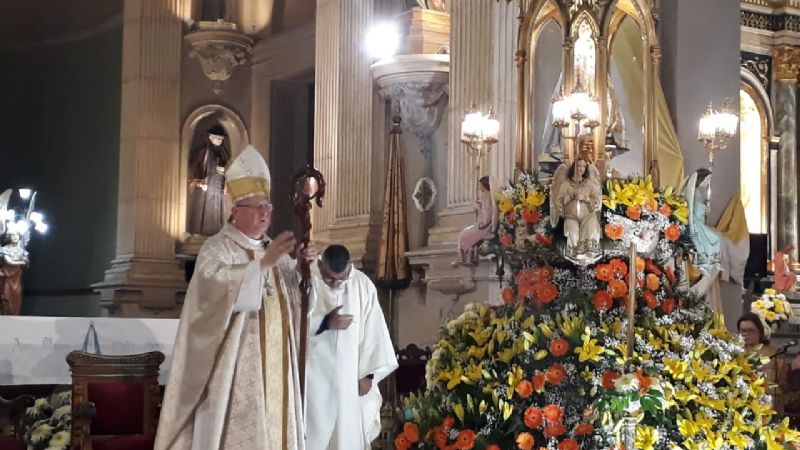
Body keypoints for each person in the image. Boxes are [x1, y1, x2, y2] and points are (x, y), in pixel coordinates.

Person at [155, 146, 308, 450]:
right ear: (235, 210)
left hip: (278, 367)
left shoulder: (276, 252)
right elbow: (211, 295)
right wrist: (261, 265)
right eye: (256, 206)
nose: (265, 213)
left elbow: (300, 305)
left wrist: (305, 272)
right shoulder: (217, 249)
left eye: (268, 206)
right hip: (236, 370)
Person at [305, 244, 398, 450]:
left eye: (341, 279)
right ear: (321, 265)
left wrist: (368, 376)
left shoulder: (362, 284)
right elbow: (294, 325)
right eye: (330, 279)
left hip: (349, 379)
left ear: (349, 267)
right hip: (313, 379)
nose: (337, 284)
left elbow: (375, 332)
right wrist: (325, 323)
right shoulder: (307, 278)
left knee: (346, 435)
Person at [550, 155, 603, 263]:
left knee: (592, 224)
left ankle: (588, 252)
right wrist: (569, 198)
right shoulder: (566, 184)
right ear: (574, 167)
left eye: (584, 166)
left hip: (588, 215)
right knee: (571, 229)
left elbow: (598, 201)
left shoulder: (589, 184)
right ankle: (574, 254)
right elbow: (558, 201)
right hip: (571, 216)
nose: (581, 168)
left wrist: (586, 198)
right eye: (579, 165)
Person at [738, 312, 792, 415]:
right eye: (743, 331)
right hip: (740, 405)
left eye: (751, 330)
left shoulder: (775, 354)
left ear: (760, 332)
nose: (746, 334)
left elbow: (782, 383)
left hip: (767, 406)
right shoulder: (734, 353)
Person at [187, 124, 230, 236]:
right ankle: (201, 232)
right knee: (204, 210)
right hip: (206, 187)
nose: (220, 141)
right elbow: (195, 167)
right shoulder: (203, 151)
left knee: (218, 211)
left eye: (221, 139)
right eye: (217, 138)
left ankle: (216, 232)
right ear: (211, 137)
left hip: (219, 186)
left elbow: (230, 167)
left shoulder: (223, 152)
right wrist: (200, 182)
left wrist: (224, 170)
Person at [452, 176, 497, 267]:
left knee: (463, 235)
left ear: (484, 185)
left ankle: (463, 258)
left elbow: (486, 219)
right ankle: (471, 258)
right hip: (482, 226)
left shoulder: (489, 197)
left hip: (484, 228)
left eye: (480, 185)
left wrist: (478, 208)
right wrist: (478, 207)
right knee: (465, 232)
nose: (479, 187)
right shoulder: (486, 196)